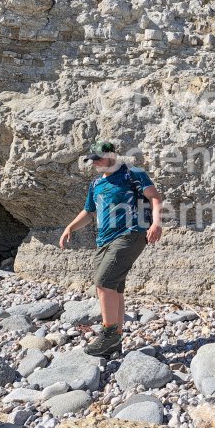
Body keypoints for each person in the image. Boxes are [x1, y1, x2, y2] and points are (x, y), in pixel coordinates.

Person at [59, 140, 163, 356]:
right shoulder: (96, 184)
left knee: (104, 282)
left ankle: (108, 335)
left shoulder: (132, 173)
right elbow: (89, 212)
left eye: (99, 158)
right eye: (92, 160)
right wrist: (70, 226)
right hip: (104, 240)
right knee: (113, 288)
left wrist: (156, 223)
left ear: (112, 155)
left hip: (131, 233)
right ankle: (116, 341)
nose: (95, 163)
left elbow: (154, 198)